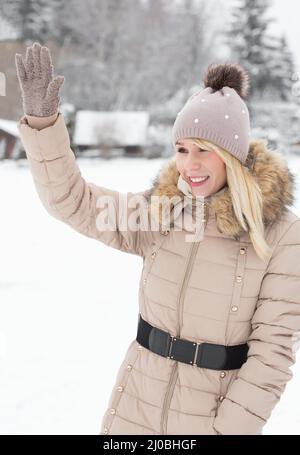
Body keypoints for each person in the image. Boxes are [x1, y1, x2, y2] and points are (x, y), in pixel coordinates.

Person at [15, 42, 300, 435]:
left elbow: (271, 358)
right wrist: (43, 125)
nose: (190, 164)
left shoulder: (282, 235)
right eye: (182, 149)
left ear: (232, 154)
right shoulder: (162, 213)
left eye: (205, 150)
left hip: (211, 416)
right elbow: (74, 202)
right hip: (135, 408)